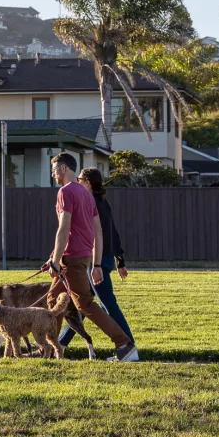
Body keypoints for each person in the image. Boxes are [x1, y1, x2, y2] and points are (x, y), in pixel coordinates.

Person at [42, 153, 138, 362]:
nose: (53, 173)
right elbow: (99, 232)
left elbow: (64, 228)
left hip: (72, 259)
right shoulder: (87, 194)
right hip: (83, 257)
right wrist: (94, 263)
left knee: (85, 305)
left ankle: (124, 344)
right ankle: (50, 350)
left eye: (55, 169)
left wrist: (56, 261)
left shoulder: (66, 191)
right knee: (53, 299)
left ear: (64, 168)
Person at [59, 167, 133, 350]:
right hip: (103, 259)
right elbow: (113, 231)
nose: (76, 180)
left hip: (96, 260)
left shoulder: (90, 202)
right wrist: (119, 260)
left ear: (88, 183)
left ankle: (128, 344)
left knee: (108, 304)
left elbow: (96, 234)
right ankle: (60, 344)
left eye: (80, 178)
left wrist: (96, 264)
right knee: (82, 305)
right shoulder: (102, 202)